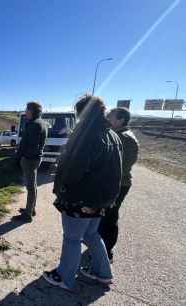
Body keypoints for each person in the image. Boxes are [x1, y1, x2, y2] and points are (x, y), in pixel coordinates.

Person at [43, 95, 122, 291]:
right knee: (92, 235)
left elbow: (74, 169)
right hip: (100, 198)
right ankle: (103, 273)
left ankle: (65, 277)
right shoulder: (112, 134)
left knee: (72, 238)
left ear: (81, 112)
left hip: (80, 197)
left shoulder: (87, 134)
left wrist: (62, 187)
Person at [98, 107, 139, 263]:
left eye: (110, 116)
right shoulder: (119, 135)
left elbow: (120, 167)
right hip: (114, 182)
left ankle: (106, 253)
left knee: (109, 216)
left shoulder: (124, 138)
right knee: (105, 214)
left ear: (121, 120)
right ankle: (100, 245)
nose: (107, 118)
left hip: (118, 184)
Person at [15, 101, 47, 221]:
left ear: (32, 111)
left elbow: (28, 144)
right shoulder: (42, 123)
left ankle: (27, 214)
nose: (25, 112)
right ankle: (31, 209)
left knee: (30, 187)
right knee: (33, 186)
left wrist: (19, 157)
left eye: (27, 109)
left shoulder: (33, 124)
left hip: (30, 159)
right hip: (35, 158)